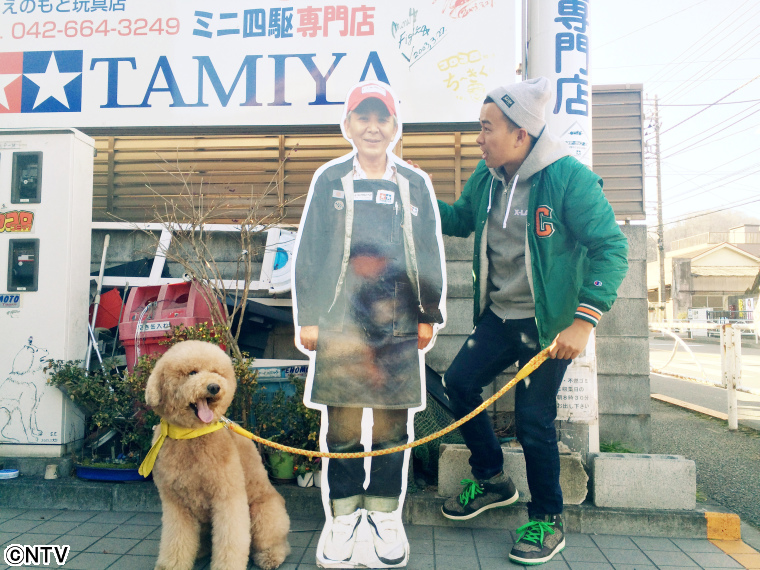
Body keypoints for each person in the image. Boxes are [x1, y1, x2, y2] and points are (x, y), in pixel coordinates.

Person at [436, 77, 628, 566]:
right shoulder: (487, 177)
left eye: (487, 128)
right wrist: (416, 195)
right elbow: (460, 220)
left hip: (548, 326)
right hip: (500, 315)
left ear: (520, 133)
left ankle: (547, 518)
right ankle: (493, 479)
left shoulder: (568, 178)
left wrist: (584, 322)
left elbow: (611, 248)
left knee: (533, 420)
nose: (479, 138)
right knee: (458, 383)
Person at [292, 80, 445, 567]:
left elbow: (429, 251)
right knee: (341, 428)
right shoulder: (331, 179)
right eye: (364, 117)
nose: (373, 127)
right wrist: (308, 317)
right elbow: (310, 250)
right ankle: (342, 516)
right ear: (349, 125)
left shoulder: (414, 183)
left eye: (382, 118)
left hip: (398, 323)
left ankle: (382, 515)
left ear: (395, 127)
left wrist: (429, 313)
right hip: (340, 322)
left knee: (390, 428)